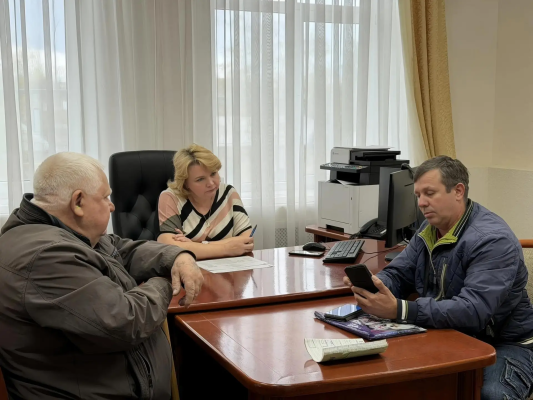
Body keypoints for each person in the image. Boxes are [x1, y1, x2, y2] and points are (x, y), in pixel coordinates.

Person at [0, 152, 204, 399]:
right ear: (78, 202)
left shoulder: (65, 232)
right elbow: (125, 322)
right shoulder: (47, 255)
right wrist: (164, 281)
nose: (112, 206)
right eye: (105, 197)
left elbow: (123, 249)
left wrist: (177, 257)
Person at [343, 156, 533, 400]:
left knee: (489, 395)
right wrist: (377, 286)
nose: (421, 203)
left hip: (506, 344)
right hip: (449, 333)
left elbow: (473, 311)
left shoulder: (492, 240)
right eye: (418, 195)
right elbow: (399, 273)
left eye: (430, 193)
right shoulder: (429, 229)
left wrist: (400, 309)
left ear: (458, 191)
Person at [158, 144, 254, 260]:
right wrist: (227, 248)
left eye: (213, 174)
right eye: (200, 179)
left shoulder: (228, 192)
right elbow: (169, 246)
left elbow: (247, 242)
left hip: (231, 268)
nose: (211, 183)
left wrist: (194, 246)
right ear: (185, 183)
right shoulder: (171, 197)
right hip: (190, 268)